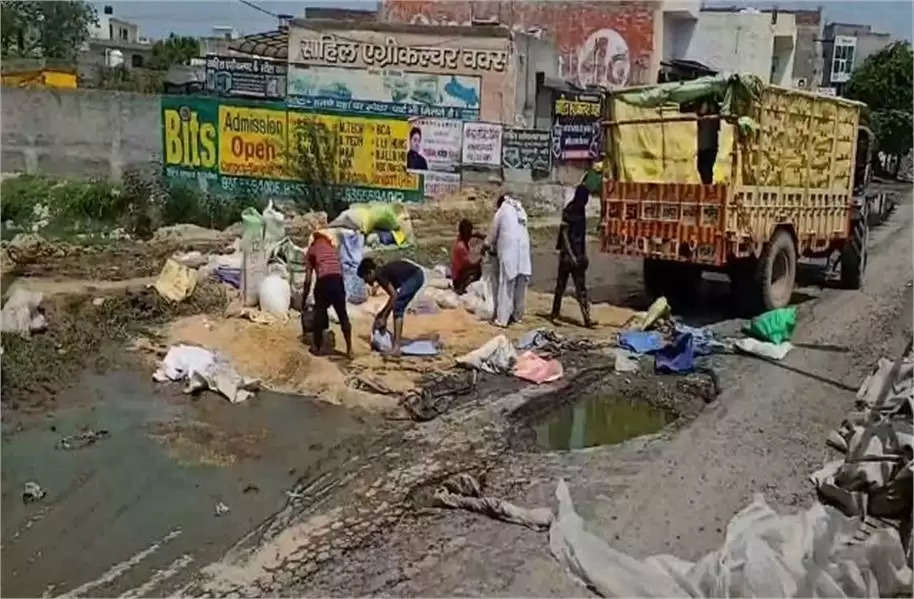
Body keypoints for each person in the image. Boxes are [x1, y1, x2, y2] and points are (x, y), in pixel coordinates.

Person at [357, 257, 425, 356]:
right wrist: (382, 314)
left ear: (371, 272)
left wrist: (384, 316)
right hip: (416, 275)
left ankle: (396, 348)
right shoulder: (380, 273)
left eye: (365, 278)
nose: (366, 282)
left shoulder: (379, 275)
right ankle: (396, 345)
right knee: (397, 304)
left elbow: (394, 296)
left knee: (398, 306)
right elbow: (392, 296)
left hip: (415, 276)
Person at [484, 194, 531, 327]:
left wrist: (486, 245)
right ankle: (517, 316)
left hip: (509, 251)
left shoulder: (502, 210)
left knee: (506, 285)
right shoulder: (520, 210)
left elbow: (493, 233)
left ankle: (502, 319)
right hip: (523, 252)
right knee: (520, 287)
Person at [303, 231, 352, 358]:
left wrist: (304, 298)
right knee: (343, 315)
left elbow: (308, 280)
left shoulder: (312, 250)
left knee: (319, 310)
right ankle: (349, 349)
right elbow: (339, 267)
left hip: (324, 280)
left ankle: (317, 347)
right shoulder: (332, 248)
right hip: (338, 280)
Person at [551, 184, 594, 327]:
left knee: (581, 288)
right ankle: (555, 314)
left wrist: (584, 255)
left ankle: (587, 319)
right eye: (585, 197)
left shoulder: (581, 211)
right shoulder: (569, 210)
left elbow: (580, 238)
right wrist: (571, 256)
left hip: (578, 255)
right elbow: (564, 235)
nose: (587, 200)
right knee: (561, 286)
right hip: (567, 256)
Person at [451, 218, 485, 294]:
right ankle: (461, 288)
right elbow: (468, 264)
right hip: (458, 278)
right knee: (478, 269)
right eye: (469, 232)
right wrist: (480, 259)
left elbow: (472, 234)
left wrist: (479, 235)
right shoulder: (461, 246)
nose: (470, 234)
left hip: (459, 273)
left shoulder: (460, 239)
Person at [697, 100, 719, 185]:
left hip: (709, 146)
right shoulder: (705, 115)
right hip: (704, 146)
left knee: (705, 167)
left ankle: (707, 184)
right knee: (703, 167)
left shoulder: (712, 114)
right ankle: (707, 184)